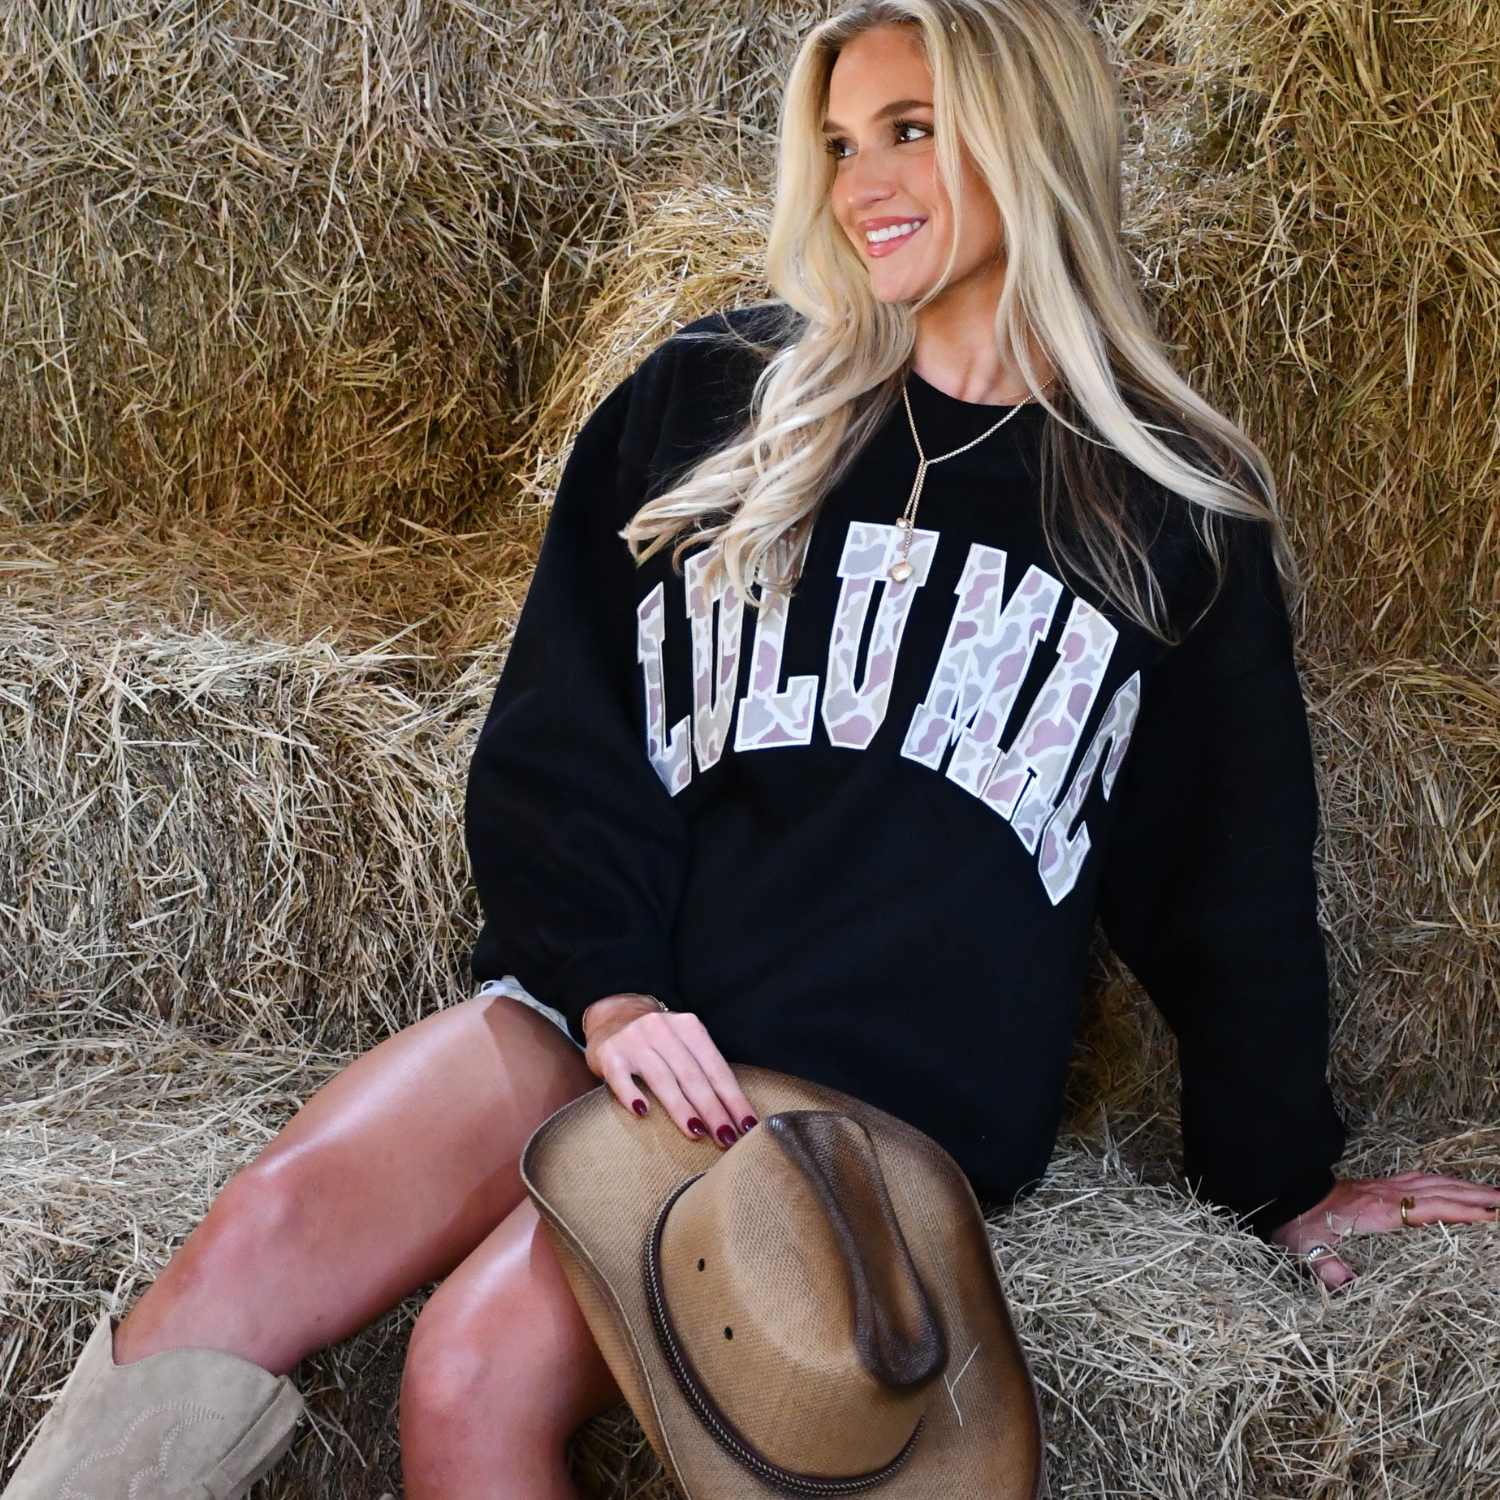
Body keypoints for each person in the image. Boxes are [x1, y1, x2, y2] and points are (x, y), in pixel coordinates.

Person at [10, 3, 1499, 1500]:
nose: (864, 183)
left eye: (911, 130)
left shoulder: (1167, 513)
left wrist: (1284, 1188)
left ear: (1034, 136)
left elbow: (1227, 886)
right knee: (265, 1227)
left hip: (839, 1093)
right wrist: (610, 990)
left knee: (469, 1367)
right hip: (623, 1012)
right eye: (841, 144)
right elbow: (560, 740)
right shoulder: (716, 398)